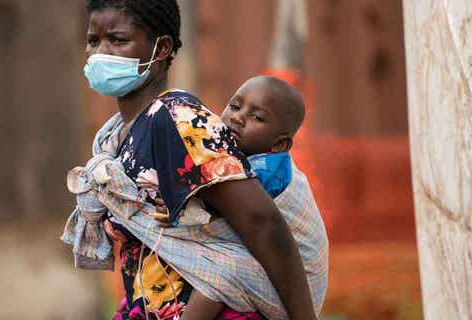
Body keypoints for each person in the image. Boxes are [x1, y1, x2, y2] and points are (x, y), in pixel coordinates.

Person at [73, 1, 316, 319]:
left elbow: (260, 220)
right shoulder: (117, 136)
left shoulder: (176, 118)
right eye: (94, 41)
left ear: (161, 48)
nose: (101, 53)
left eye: (118, 40)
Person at [170, 76, 328, 319]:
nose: (238, 117)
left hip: (298, 280)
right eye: (235, 106)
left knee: (220, 275)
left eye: (257, 117)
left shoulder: (268, 169)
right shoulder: (241, 159)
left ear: (279, 144)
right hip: (267, 265)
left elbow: (222, 206)